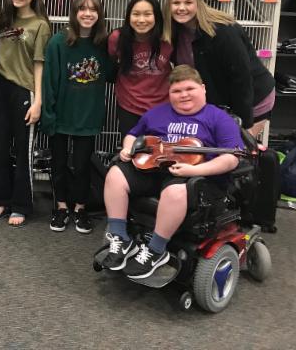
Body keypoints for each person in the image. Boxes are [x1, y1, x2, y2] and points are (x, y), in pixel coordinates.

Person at [101, 65, 242, 279]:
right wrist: (128, 148)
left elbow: (231, 158)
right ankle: (120, 238)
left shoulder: (219, 118)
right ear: (169, 93)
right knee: (115, 175)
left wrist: (194, 169)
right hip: (155, 169)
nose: (183, 95)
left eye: (189, 89)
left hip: (198, 179)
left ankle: (156, 250)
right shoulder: (156, 113)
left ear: (203, 89)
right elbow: (133, 135)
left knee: (174, 192)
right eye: (176, 91)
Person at [41, 0, 113, 235]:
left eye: (93, 9)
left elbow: (113, 73)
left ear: (99, 15)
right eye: (83, 9)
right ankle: (61, 207)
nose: (87, 14)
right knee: (59, 164)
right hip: (61, 114)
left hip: (88, 115)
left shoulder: (103, 45)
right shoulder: (58, 42)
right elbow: (49, 81)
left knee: (82, 166)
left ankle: (80, 208)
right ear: (74, 13)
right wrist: (48, 115)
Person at [164, 0, 274, 137]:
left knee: (236, 147)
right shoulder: (176, 32)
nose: (181, 8)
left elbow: (241, 78)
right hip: (220, 97)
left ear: (199, 3)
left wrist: (242, 124)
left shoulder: (223, 31)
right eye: (176, 3)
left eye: (188, 2)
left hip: (252, 97)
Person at [0, 0, 51, 227]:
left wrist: (38, 102)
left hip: (25, 91)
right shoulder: (5, 20)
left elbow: (39, 64)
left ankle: (21, 205)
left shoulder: (40, 25)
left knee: (23, 150)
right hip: (0, 88)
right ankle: (1, 201)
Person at [108, 0, 172, 137]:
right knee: (131, 148)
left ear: (156, 16)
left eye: (147, 14)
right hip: (129, 106)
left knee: (159, 149)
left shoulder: (167, 38)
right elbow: (111, 64)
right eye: (136, 14)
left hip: (162, 106)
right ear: (128, 16)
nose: (141, 20)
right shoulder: (116, 38)